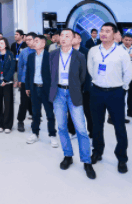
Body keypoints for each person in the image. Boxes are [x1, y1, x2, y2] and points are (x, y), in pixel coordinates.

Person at [50, 29, 96, 179]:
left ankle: (87, 161)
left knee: (81, 129)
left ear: (73, 39)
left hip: (74, 93)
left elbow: (82, 77)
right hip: (58, 93)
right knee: (62, 126)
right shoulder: (52, 55)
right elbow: (49, 74)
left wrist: (74, 87)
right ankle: (68, 155)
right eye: (62, 35)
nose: (63, 38)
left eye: (67, 36)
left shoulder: (80, 56)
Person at [88, 22, 132, 173]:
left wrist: (122, 88)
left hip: (115, 92)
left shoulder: (121, 52)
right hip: (97, 92)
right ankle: (97, 151)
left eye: (107, 31)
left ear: (114, 34)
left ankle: (122, 158)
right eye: (102, 30)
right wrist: (97, 82)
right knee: (96, 125)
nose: (103, 33)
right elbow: (90, 69)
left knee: (119, 126)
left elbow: (128, 73)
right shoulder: (93, 51)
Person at [25, 35, 58, 147]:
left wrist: (53, 90)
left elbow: (54, 75)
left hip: (46, 89)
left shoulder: (50, 57)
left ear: (43, 43)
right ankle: (35, 133)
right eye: (33, 41)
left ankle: (52, 135)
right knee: (35, 113)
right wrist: (27, 87)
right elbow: (28, 73)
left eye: (37, 41)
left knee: (50, 113)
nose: (34, 43)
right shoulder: (31, 56)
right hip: (34, 88)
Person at [0, 37, 15, 133]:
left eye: (2, 43)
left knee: (8, 104)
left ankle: (7, 125)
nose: (0, 45)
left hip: (7, 83)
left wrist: (5, 80)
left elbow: (12, 68)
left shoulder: (10, 54)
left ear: (5, 44)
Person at [72, 31, 93, 137]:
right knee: (72, 110)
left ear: (79, 39)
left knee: (88, 111)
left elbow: (89, 71)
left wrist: (87, 86)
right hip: (71, 87)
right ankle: (72, 131)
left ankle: (92, 132)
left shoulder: (87, 52)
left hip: (84, 87)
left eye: (74, 37)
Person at [16, 32, 35, 132]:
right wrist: (19, 79)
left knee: (35, 102)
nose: (27, 41)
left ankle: (35, 121)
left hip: (36, 81)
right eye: (26, 40)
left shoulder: (39, 50)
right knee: (24, 102)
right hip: (25, 80)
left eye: (30, 39)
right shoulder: (23, 52)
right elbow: (20, 66)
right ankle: (20, 121)